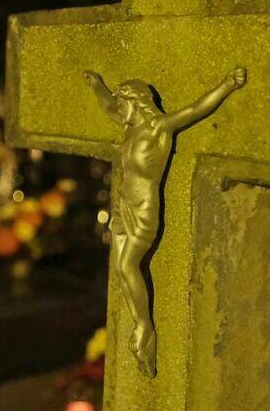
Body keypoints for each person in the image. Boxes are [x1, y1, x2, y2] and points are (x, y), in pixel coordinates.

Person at [84, 66, 246, 377]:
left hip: (144, 209)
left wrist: (227, 84)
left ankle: (144, 327)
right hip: (123, 207)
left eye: (122, 103)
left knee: (128, 265)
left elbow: (196, 109)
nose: (118, 110)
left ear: (135, 102)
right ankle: (140, 329)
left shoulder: (158, 128)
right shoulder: (129, 127)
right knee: (121, 270)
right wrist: (97, 85)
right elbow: (107, 105)